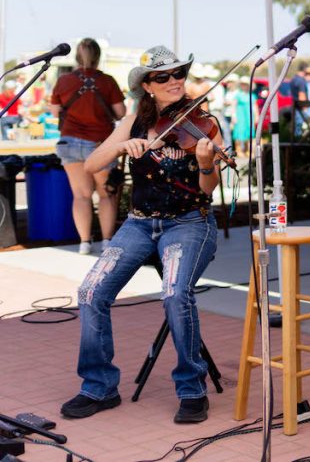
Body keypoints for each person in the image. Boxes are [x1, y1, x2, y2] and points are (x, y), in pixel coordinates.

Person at [60, 46, 222, 424]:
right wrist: (121, 146)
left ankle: (192, 388)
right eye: (163, 77)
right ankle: (99, 386)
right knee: (90, 291)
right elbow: (92, 163)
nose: (174, 81)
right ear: (147, 85)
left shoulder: (204, 122)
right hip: (138, 223)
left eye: (179, 74)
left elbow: (209, 188)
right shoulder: (132, 121)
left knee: (175, 293)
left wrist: (205, 163)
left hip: (189, 223)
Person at [49, 39, 127, 254]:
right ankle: (107, 241)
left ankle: (84, 243)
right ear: (98, 56)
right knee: (106, 194)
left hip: (70, 142)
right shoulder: (107, 81)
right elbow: (120, 113)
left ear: (76, 56)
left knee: (81, 195)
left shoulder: (64, 81)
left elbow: (55, 112)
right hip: (100, 142)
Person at [231, 78, 255, 158]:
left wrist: (257, 116)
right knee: (239, 132)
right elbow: (233, 106)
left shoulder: (252, 95)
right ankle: (239, 150)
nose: (243, 86)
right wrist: (233, 116)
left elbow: (255, 106)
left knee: (249, 133)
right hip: (240, 116)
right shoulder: (238, 95)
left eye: (245, 84)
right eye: (242, 84)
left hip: (249, 116)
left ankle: (247, 150)